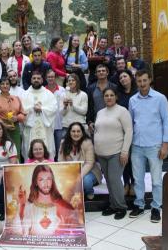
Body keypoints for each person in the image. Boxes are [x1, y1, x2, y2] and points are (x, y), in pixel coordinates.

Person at [128, 69, 168, 223]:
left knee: (156, 180)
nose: (142, 84)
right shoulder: (132, 100)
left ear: (150, 80)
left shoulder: (160, 98)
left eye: (144, 81)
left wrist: (165, 145)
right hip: (137, 145)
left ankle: (156, 207)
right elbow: (130, 124)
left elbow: (167, 122)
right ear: (136, 82)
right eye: (139, 81)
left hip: (155, 145)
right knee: (138, 179)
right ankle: (139, 205)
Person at [94, 87, 133, 219]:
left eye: (111, 95)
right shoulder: (100, 112)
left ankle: (121, 207)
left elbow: (129, 131)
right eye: (106, 95)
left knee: (115, 180)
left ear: (116, 97)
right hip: (101, 153)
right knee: (109, 181)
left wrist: (125, 151)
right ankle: (113, 205)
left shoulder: (122, 111)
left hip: (116, 152)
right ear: (103, 98)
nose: (109, 97)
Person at [13, 165, 78, 236]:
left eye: (49, 179)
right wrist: (22, 205)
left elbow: (73, 229)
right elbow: (20, 231)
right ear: (35, 182)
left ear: (52, 181)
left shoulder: (62, 204)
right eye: (41, 180)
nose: (46, 184)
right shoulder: (29, 205)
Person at [58, 122, 102, 200]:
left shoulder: (87, 142)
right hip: (71, 172)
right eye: (73, 131)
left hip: (90, 172)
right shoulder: (63, 142)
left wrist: (78, 176)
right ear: (69, 132)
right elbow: (61, 161)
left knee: (86, 180)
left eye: (78, 131)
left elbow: (89, 163)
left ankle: (89, 192)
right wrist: (68, 175)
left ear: (82, 132)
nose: (76, 134)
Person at [22, 71, 57, 159]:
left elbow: (53, 109)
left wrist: (42, 109)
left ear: (42, 80)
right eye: (34, 78)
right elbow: (21, 110)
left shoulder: (49, 94)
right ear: (31, 80)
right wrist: (32, 109)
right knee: (29, 150)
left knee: (46, 150)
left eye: (38, 78)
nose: (36, 80)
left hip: (45, 128)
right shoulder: (25, 94)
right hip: (30, 128)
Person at [0, 77, 26, 160]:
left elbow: (23, 113)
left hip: (15, 127)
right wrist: (4, 125)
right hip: (1, 128)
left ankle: (16, 170)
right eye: (2, 84)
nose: (5, 86)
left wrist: (17, 118)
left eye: (7, 84)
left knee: (16, 149)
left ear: (10, 86)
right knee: (4, 150)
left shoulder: (16, 98)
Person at [117, 70, 138, 195]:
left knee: (134, 159)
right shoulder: (118, 95)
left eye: (125, 76)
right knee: (124, 158)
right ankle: (126, 183)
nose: (123, 79)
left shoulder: (137, 93)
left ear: (131, 77)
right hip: (122, 131)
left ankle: (134, 183)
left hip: (136, 130)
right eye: (120, 78)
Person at [45, 70, 65, 160]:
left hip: (60, 124)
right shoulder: (43, 90)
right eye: (49, 77)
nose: (50, 79)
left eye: (52, 77)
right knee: (49, 149)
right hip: (48, 125)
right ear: (46, 78)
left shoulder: (62, 90)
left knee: (59, 149)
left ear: (55, 78)